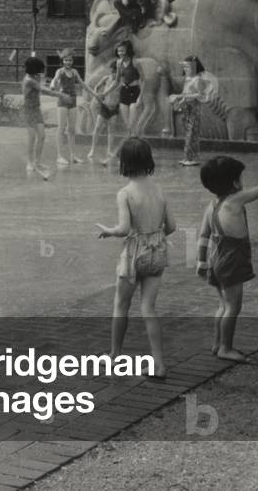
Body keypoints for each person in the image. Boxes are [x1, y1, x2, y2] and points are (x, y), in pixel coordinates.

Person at [96, 138, 176, 379]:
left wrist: (108, 230)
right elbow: (171, 226)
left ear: (124, 163)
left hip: (134, 253)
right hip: (157, 251)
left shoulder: (125, 193)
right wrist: (155, 235)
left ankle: (115, 355)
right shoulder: (159, 189)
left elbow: (123, 228)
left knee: (121, 303)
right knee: (148, 307)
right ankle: (159, 364)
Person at [196, 156, 258, 362]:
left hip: (217, 258)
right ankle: (226, 348)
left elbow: (203, 235)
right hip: (232, 260)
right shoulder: (235, 200)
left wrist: (201, 262)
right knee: (233, 307)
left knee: (223, 305)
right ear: (235, 182)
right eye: (241, 177)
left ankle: (217, 344)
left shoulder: (212, 205)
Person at [20, 56, 69, 174]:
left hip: (36, 110)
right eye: (40, 69)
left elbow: (44, 83)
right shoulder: (29, 80)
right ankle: (29, 162)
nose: (41, 71)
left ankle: (37, 162)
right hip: (28, 110)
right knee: (32, 138)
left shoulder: (35, 77)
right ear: (34, 69)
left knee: (42, 136)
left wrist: (51, 82)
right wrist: (61, 95)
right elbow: (44, 90)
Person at [50, 48, 95, 165]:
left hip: (73, 101)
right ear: (62, 61)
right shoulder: (60, 71)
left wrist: (94, 93)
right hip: (62, 101)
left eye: (70, 60)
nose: (68, 62)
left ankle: (73, 155)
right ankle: (59, 156)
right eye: (66, 60)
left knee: (71, 130)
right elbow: (54, 82)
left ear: (72, 61)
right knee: (61, 128)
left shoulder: (75, 72)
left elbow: (83, 84)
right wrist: (53, 84)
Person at [168, 56, 212, 166]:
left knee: (192, 133)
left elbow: (199, 94)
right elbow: (186, 93)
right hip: (186, 108)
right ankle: (187, 157)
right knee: (188, 133)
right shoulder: (188, 79)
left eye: (188, 67)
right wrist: (179, 98)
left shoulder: (198, 79)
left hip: (194, 108)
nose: (186, 69)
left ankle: (192, 158)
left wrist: (182, 97)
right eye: (185, 67)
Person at [87, 70, 122, 165]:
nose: (114, 74)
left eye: (116, 72)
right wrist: (97, 96)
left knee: (111, 129)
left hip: (114, 107)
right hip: (105, 106)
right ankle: (92, 149)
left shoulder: (121, 81)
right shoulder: (106, 78)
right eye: (113, 72)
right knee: (98, 127)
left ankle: (109, 150)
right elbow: (97, 86)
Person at [112, 41, 142, 137]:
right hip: (124, 92)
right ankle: (131, 143)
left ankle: (136, 140)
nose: (120, 53)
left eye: (122, 51)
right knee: (127, 125)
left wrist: (140, 97)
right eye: (119, 51)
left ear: (127, 51)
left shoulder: (135, 61)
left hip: (135, 92)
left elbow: (144, 80)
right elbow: (117, 81)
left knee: (132, 122)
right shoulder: (118, 63)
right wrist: (105, 93)